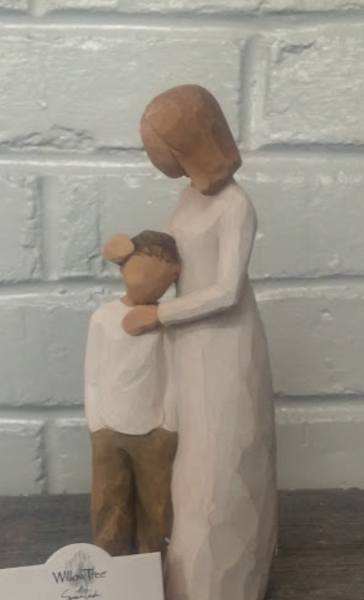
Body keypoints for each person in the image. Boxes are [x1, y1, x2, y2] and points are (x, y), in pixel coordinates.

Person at [123, 85, 278, 600]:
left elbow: (227, 291)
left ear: (188, 141)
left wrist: (160, 314)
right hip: (187, 343)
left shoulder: (235, 206)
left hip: (225, 347)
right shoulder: (189, 196)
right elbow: (179, 261)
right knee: (186, 461)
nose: (157, 158)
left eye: (160, 146)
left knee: (219, 462)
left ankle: (226, 584)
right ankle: (184, 577)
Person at [84, 230, 180, 557]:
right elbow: (93, 376)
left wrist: (169, 425)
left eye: (162, 279)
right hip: (108, 428)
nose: (150, 284)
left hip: (155, 430)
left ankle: (153, 570)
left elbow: (174, 375)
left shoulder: (166, 321)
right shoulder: (103, 318)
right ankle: (110, 567)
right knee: (108, 504)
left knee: (157, 508)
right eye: (143, 271)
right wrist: (97, 423)